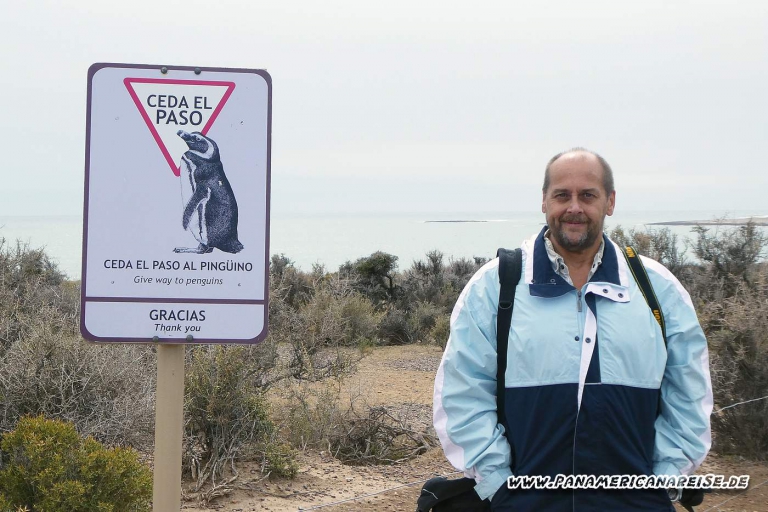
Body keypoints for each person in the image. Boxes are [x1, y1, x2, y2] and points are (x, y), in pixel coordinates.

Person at [433, 148, 712, 511]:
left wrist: (663, 480)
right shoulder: (495, 286)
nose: (574, 207)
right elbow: (462, 391)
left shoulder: (658, 288)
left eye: (588, 195)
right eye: (562, 195)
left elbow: (690, 394)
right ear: (544, 201)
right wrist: (499, 484)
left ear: (610, 202)